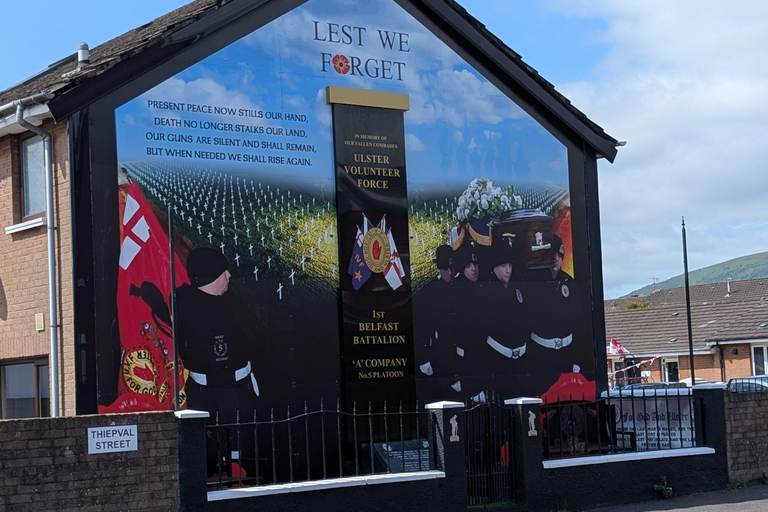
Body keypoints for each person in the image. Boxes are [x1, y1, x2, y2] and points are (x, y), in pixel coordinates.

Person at [176, 247, 260, 414]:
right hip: (226, 397)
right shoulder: (207, 315)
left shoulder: (188, 304)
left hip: (213, 393)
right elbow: (221, 367)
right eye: (223, 272)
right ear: (212, 276)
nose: (228, 275)